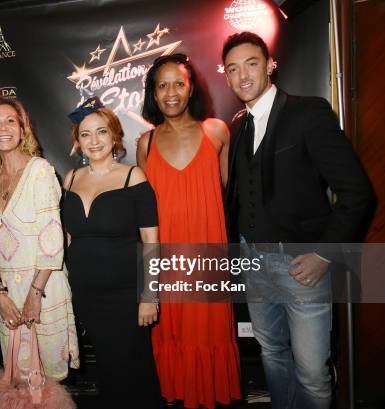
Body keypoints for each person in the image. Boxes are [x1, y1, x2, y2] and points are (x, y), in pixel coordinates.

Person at [221, 32, 374, 409]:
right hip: (253, 260)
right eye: (233, 69)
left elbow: (357, 192)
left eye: (251, 64)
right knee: (272, 353)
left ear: (271, 65)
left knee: (310, 370)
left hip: (301, 265)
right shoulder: (239, 127)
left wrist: (324, 255)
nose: (242, 76)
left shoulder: (308, 112)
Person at [137, 54, 242, 408]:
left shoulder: (217, 131)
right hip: (165, 266)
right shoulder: (145, 144)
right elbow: (142, 215)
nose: (171, 93)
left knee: (207, 337)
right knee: (173, 339)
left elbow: (227, 194)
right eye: (162, 85)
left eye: (178, 83)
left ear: (191, 87)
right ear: (153, 93)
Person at [62, 97, 162, 408]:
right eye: (85, 134)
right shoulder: (70, 179)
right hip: (85, 294)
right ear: (77, 142)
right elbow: (66, 239)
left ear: (115, 136)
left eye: (101, 132)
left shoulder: (135, 177)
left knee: (133, 368)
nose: (94, 141)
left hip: (126, 294)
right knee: (106, 367)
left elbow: (152, 243)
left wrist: (149, 296)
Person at [0, 96, 79, 380]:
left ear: (22, 128)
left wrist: (34, 295)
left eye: (10, 121)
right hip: (7, 296)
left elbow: (53, 239)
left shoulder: (40, 171)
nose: (3, 127)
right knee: (19, 380)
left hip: (43, 289)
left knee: (49, 384)